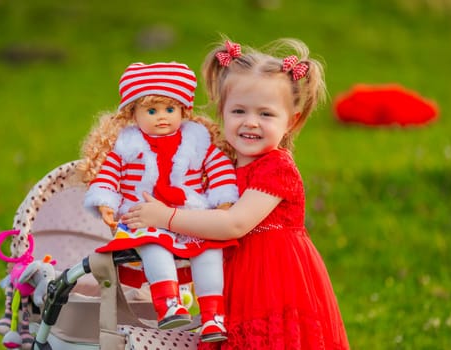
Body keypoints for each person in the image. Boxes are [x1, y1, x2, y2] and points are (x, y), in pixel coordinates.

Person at [122, 39, 351, 349]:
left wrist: (168, 217)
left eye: (266, 114)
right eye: (239, 110)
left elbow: (234, 224)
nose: (250, 122)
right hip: (237, 278)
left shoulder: (276, 168)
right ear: (223, 112)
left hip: (275, 283)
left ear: (291, 121)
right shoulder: (222, 165)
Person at [79, 61, 239, 342]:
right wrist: (106, 201)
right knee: (153, 244)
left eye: (170, 109)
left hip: (190, 215)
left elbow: (220, 168)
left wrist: (224, 198)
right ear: (133, 113)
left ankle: (213, 314)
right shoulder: (127, 146)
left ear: (183, 110)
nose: (161, 117)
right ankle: (168, 303)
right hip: (143, 215)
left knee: (210, 250)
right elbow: (108, 174)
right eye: (151, 111)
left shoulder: (197, 142)